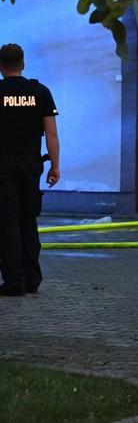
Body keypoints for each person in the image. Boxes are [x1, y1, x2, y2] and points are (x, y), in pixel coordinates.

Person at [0, 43, 61, 297]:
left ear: (1, 67)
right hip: (31, 165)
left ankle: (14, 281)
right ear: (22, 64)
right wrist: (55, 166)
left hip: (2, 166)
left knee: (7, 222)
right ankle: (32, 279)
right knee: (28, 219)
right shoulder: (40, 92)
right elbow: (51, 133)